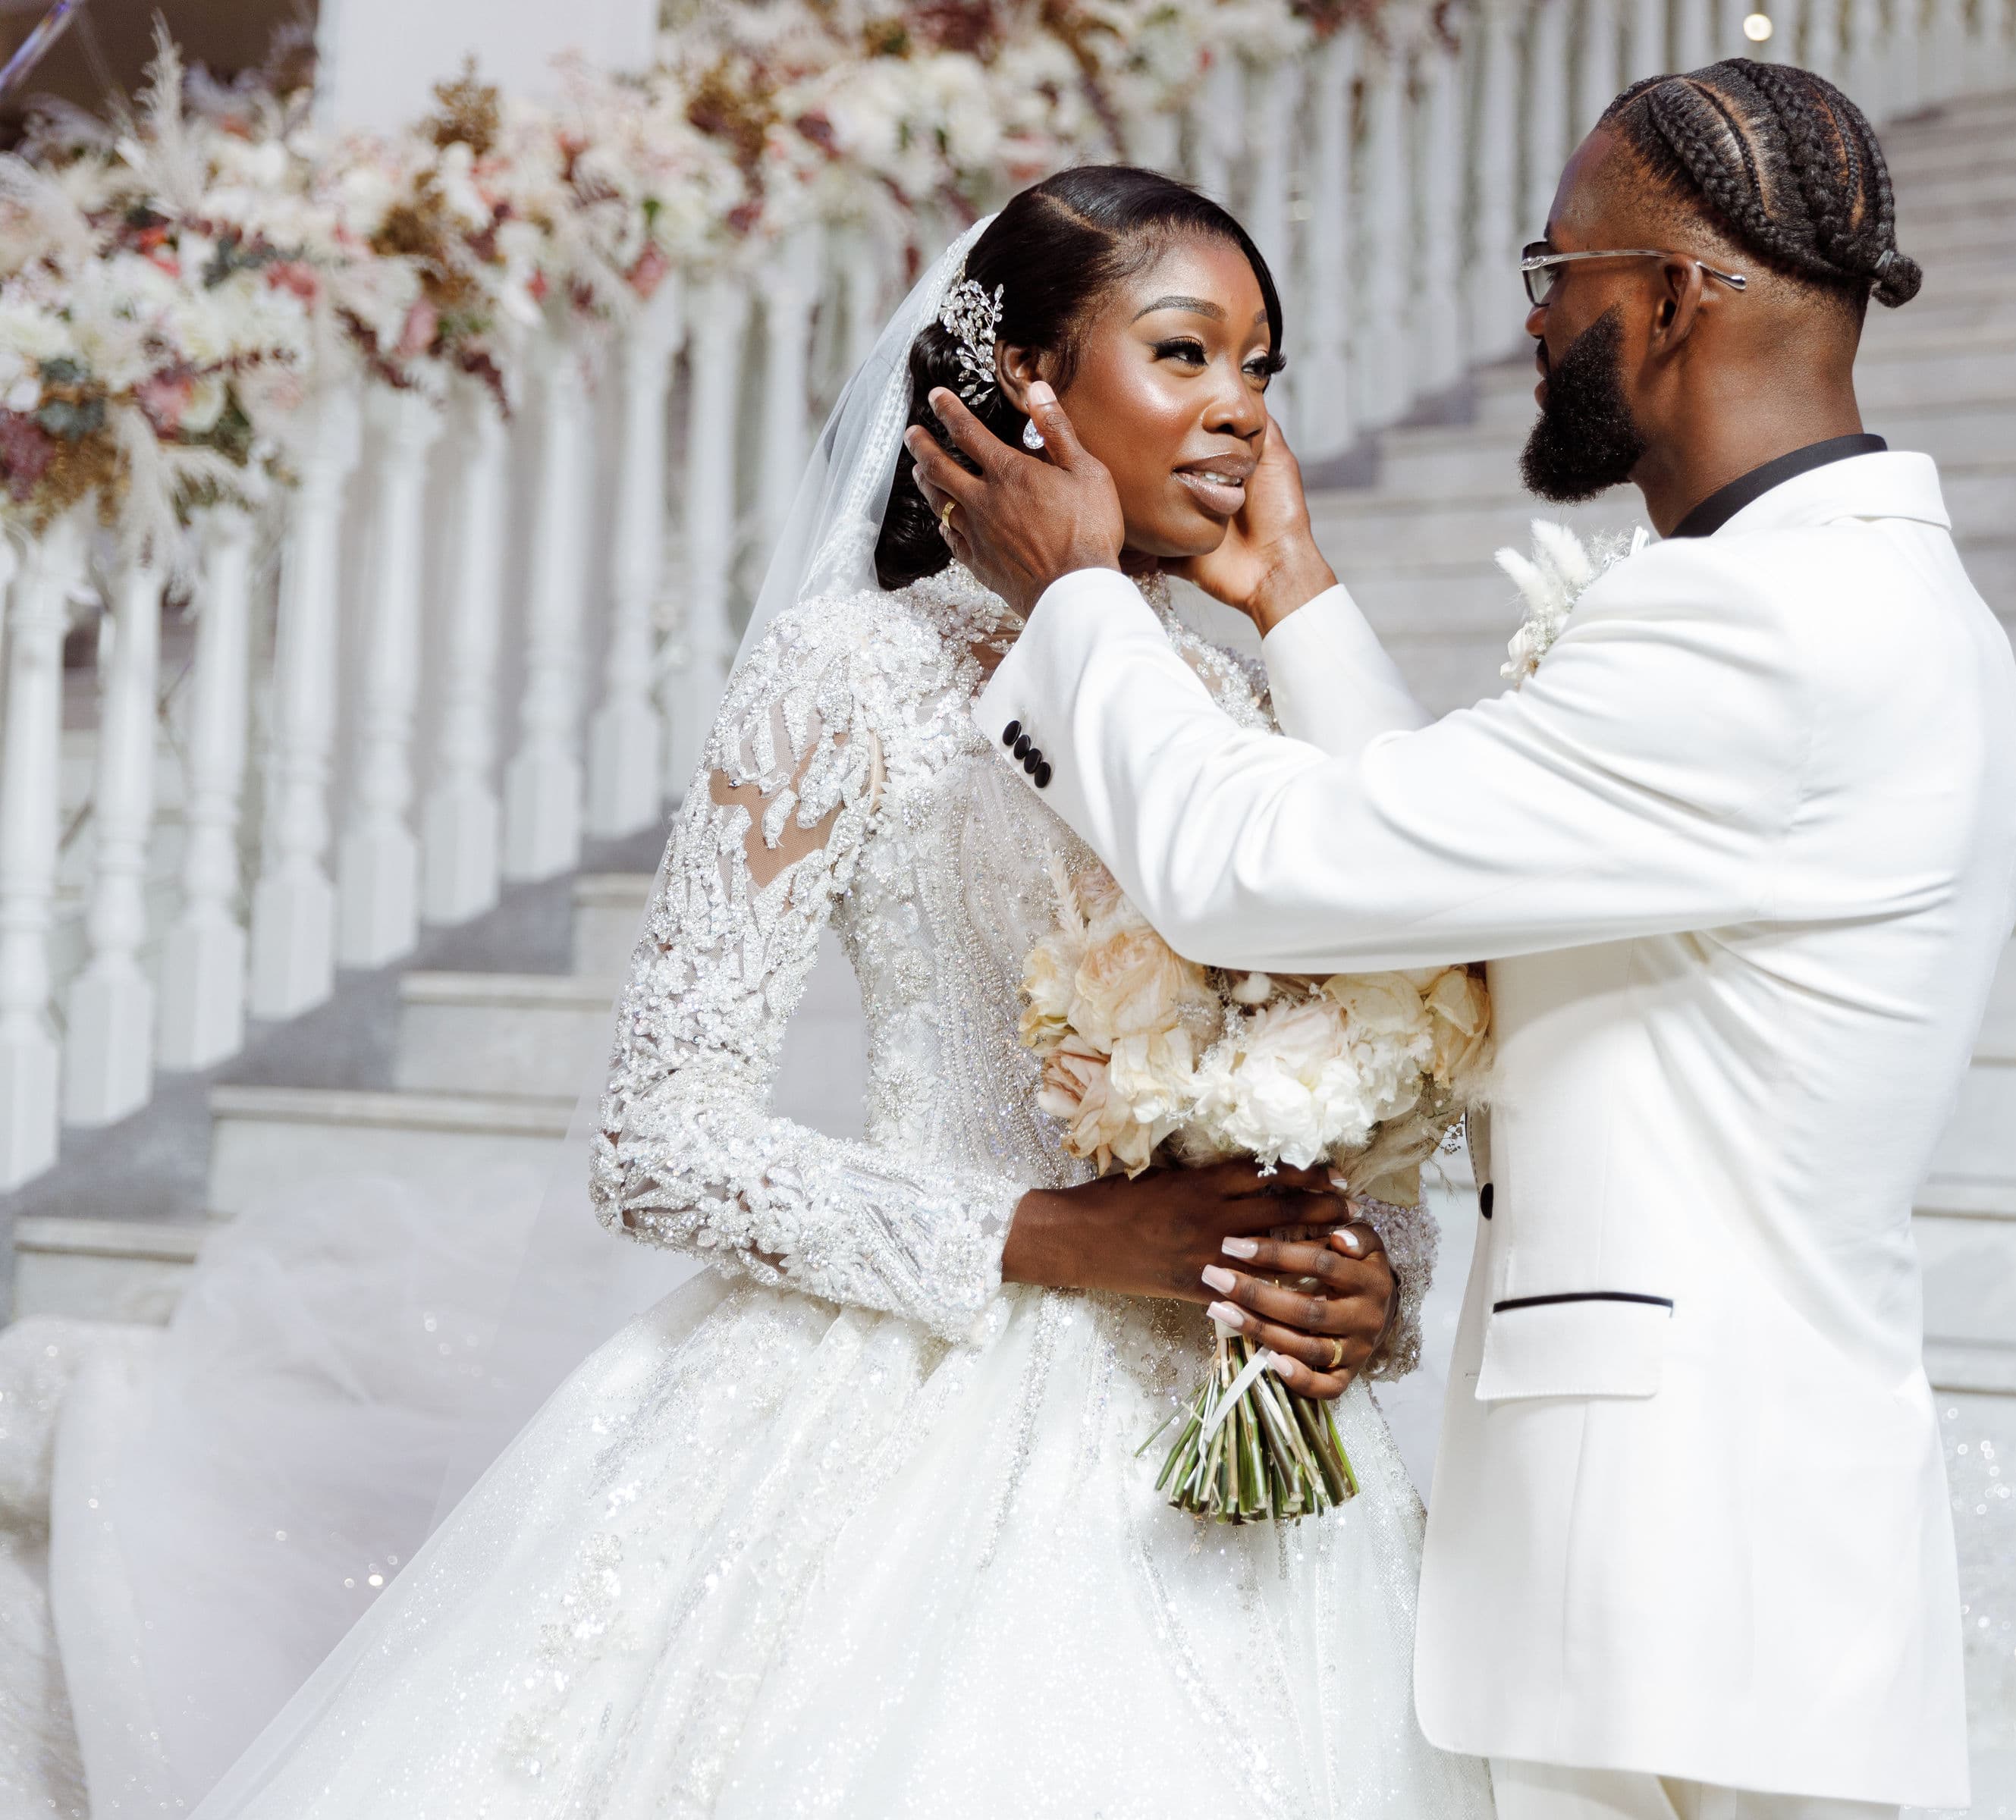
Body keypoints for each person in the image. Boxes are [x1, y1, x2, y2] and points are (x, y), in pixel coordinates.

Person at [77, 166, 1494, 1819]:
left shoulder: (1234, 705)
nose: (1242, 412)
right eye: (1186, 355)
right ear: (1022, 389)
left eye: (1264, 367)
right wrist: (1045, 1236)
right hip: (925, 1416)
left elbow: (1381, 1069)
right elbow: (660, 1137)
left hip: (1259, 1471)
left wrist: (1367, 1283)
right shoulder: (852, 675)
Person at [914, 59, 2016, 1820]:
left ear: (1667, 300)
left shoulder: (1777, 631)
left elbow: (1248, 866)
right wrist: (1293, 603)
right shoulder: (1842, 598)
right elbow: (1448, 883)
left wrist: (1069, 603)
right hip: (1711, 1552)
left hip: (1683, 1554)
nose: (1531, 320)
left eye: (1556, 271)